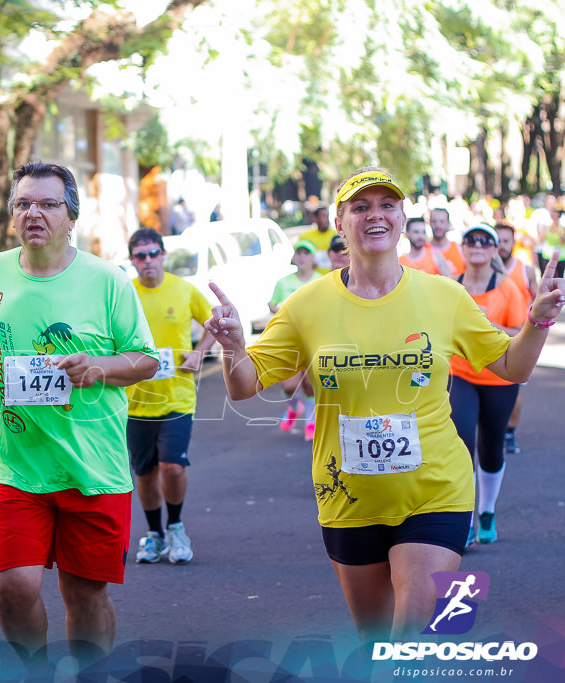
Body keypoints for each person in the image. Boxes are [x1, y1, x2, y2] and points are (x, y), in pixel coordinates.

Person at [203, 167, 565, 642]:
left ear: (400, 218)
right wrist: (232, 345)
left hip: (436, 489)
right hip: (348, 496)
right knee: (374, 645)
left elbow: (510, 368)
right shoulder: (306, 306)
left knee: (411, 630)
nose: (375, 215)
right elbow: (243, 386)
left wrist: (536, 323)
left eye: (386, 205)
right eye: (360, 207)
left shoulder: (442, 295)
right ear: (339, 222)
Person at [0, 162, 157, 672]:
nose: (34, 214)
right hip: (15, 466)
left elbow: (145, 360)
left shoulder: (107, 280)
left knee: (84, 596)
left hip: (93, 470)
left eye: (47, 204)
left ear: (71, 216)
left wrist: (99, 368)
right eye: (23, 204)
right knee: (13, 591)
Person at [124, 228, 215, 565]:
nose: (148, 261)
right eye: (140, 255)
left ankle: (175, 526)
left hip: (177, 397)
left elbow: (212, 323)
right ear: (132, 260)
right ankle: (154, 534)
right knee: (145, 473)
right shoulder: (124, 294)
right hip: (135, 400)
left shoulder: (183, 290)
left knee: (172, 467)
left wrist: (199, 353)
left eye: (153, 253)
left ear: (163, 255)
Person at [449, 224, 528, 547]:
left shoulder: (508, 289)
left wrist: (487, 326)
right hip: (460, 375)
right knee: (462, 445)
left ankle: (487, 511)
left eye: (485, 241)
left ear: (495, 250)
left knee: (491, 449)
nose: (477, 245)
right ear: (463, 248)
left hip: (499, 378)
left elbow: (523, 336)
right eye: (471, 240)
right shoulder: (450, 287)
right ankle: (466, 520)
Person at [267, 240, 322, 441]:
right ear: (294, 257)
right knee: (289, 386)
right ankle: (294, 407)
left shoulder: (320, 281)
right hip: (290, 342)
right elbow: (272, 305)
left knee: (309, 384)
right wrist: (283, 311)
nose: (302, 257)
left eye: (306, 253)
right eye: (298, 253)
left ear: (313, 258)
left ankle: (311, 421)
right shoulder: (283, 283)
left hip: (312, 341)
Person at [496, 223, 538, 455]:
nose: (502, 246)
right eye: (499, 241)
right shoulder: (483, 268)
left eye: (506, 241)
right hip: (489, 337)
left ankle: (509, 432)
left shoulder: (525, 270)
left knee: (514, 388)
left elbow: (539, 298)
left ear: (513, 244)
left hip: (516, 337)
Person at [298, 206, 339, 272]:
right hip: (314, 279)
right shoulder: (305, 237)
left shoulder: (337, 236)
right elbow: (296, 259)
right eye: (323, 216)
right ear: (315, 219)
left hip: (333, 277)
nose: (327, 219)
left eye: (327, 216)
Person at [428, 207, 465, 276]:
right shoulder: (423, 250)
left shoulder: (459, 249)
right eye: (434, 221)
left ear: (448, 224)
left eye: (442, 221)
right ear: (429, 223)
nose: (438, 225)